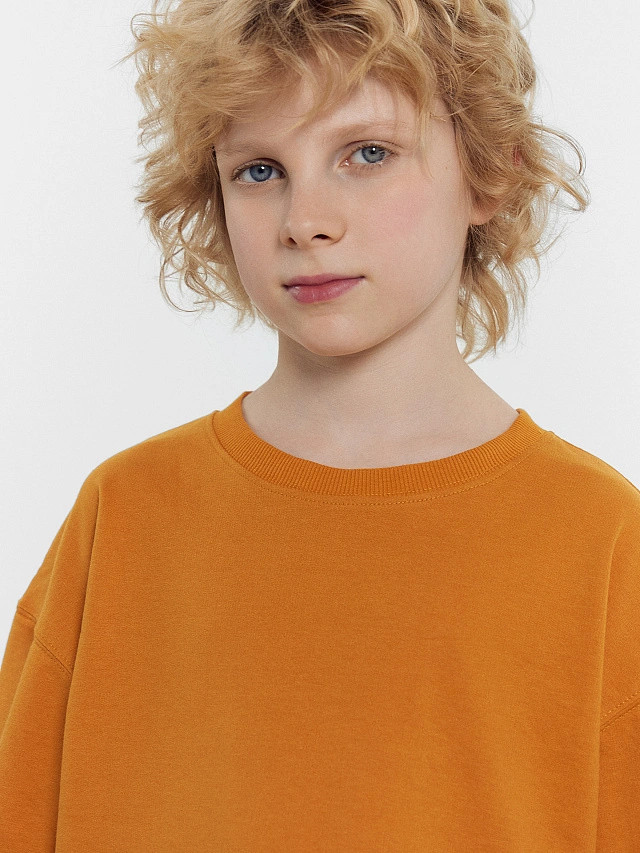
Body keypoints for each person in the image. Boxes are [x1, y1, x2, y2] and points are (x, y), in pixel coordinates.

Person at [1, 0, 638, 849]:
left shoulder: (605, 544)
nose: (305, 220)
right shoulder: (122, 518)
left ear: (490, 172)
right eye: (259, 170)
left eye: (367, 153)